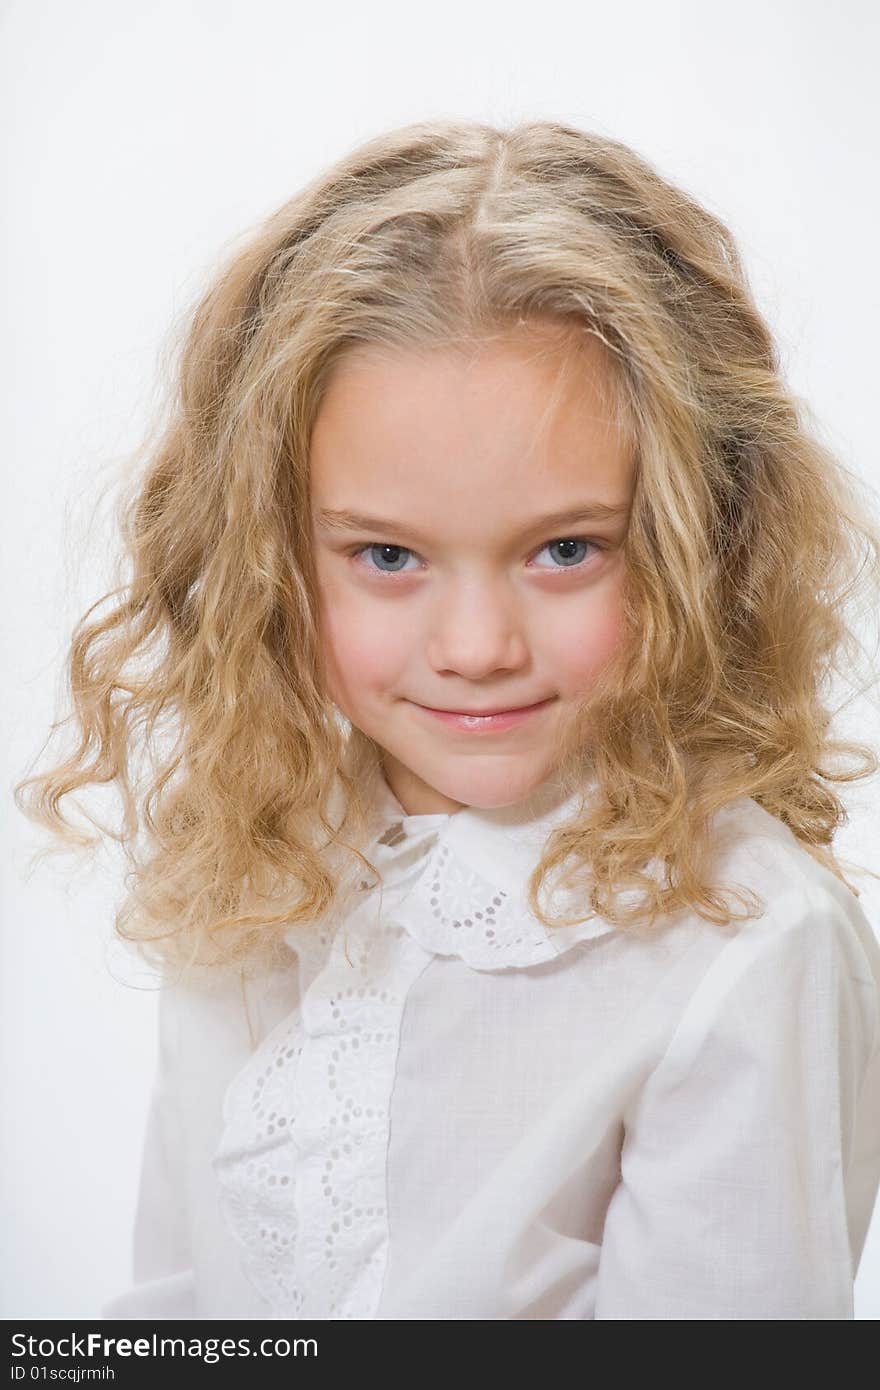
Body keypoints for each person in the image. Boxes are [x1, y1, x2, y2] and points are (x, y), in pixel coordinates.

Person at [14, 117, 880, 1320]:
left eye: (565, 549)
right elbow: (178, 1308)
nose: (478, 649)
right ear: (270, 553)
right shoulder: (262, 863)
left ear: (700, 537)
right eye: (387, 555)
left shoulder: (743, 944)